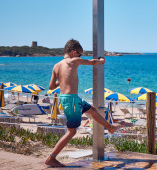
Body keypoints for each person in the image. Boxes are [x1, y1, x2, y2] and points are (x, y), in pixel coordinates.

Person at [45, 39, 125, 167]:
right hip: (72, 99)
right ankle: (51, 158)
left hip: (68, 98)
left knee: (92, 110)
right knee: (71, 132)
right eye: (79, 54)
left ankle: (110, 127)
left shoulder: (56, 65)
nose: (80, 57)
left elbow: (50, 86)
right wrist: (101, 61)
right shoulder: (73, 61)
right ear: (74, 52)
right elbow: (93, 62)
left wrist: (62, 80)